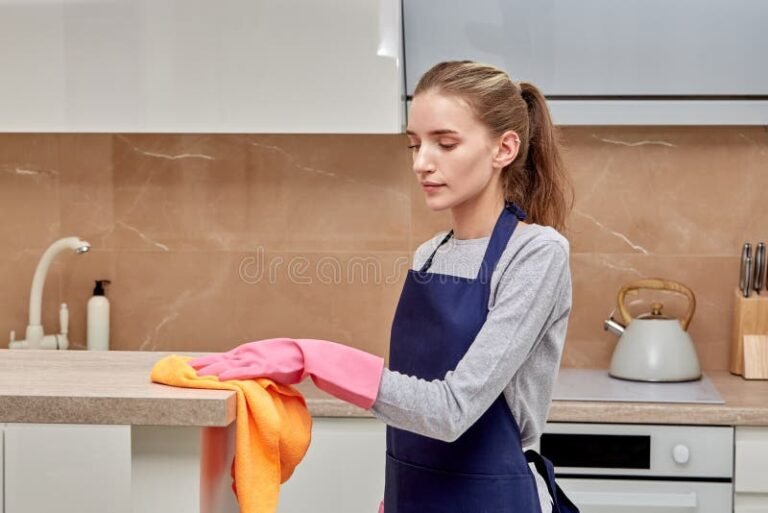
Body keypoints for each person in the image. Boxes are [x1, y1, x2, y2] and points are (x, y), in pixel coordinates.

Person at [191, 60, 578, 513]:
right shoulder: (430, 254)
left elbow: (451, 410)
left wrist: (316, 358)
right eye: (415, 144)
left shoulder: (536, 254)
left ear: (504, 149)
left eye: (445, 143)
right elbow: (411, 404)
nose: (422, 163)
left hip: (492, 499)